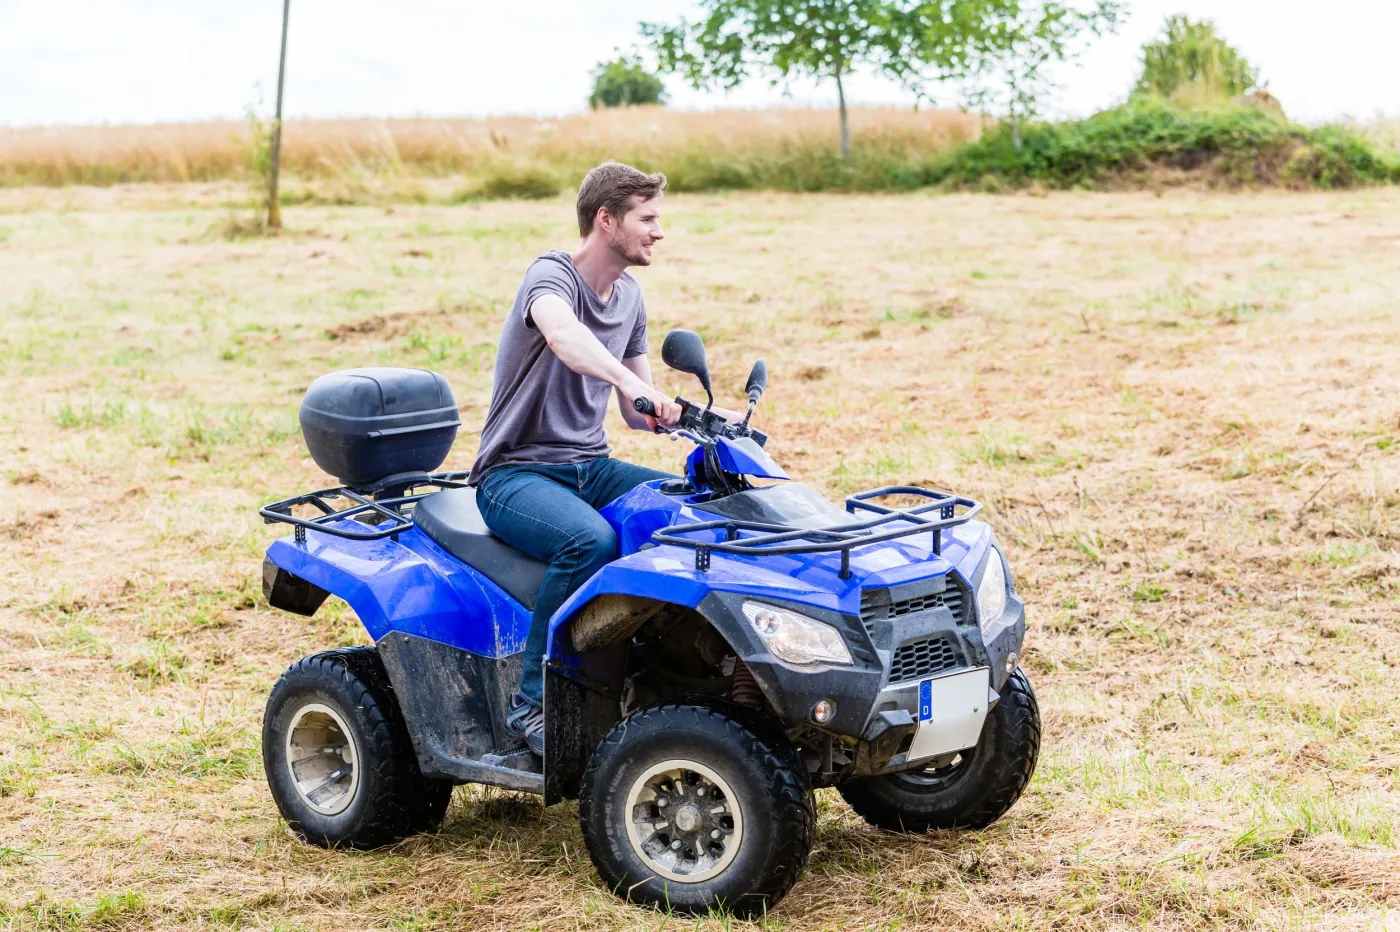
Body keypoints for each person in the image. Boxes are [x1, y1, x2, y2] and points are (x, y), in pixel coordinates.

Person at [467, 161, 688, 756]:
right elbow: (567, 340)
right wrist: (626, 378)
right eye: (648, 218)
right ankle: (531, 706)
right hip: (515, 473)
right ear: (606, 219)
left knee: (688, 514)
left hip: (591, 465)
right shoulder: (550, 277)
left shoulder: (630, 297)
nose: (658, 231)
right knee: (586, 542)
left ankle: (660, 679)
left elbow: (633, 410)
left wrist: (674, 413)